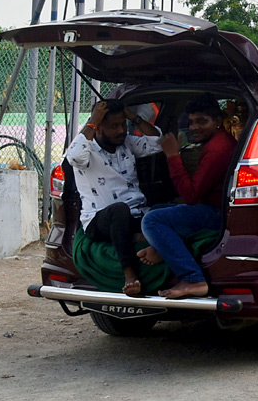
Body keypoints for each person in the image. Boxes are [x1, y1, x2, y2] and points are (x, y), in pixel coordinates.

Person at [137, 96, 238, 298]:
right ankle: (160, 248)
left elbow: (191, 196)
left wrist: (172, 156)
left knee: (152, 220)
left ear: (217, 121)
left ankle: (193, 278)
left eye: (202, 121)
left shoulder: (218, 149)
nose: (194, 127)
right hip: (211, 208)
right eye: (191, 122)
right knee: (157, 210)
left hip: (217, 214)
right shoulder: (217, 142)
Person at [65, 99, 163, 295]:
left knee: (167, 210)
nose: (121, 131)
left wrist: (133, 117)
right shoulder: (86, 149)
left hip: (136, 213)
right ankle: (129, 274)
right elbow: (74, 157)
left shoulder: (126, 143)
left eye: (122, 125)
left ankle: (141, 237)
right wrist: (93, 119)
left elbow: (157, 143)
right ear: (98, 128)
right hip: (101, 220)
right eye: (113, 126)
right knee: (119, 210)